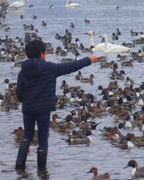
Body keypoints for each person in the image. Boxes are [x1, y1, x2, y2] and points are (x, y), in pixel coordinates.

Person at [15, 39, 97, 169]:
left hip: (28, 109)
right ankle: (42, 171)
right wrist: (89, 60)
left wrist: (25, 100)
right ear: (42, 54)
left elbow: (19, 93)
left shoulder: (22, 72)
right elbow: (71, 66)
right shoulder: (50, 68)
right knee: (42, 139)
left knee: (27, 136)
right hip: (43, 110)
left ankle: (19, 166)